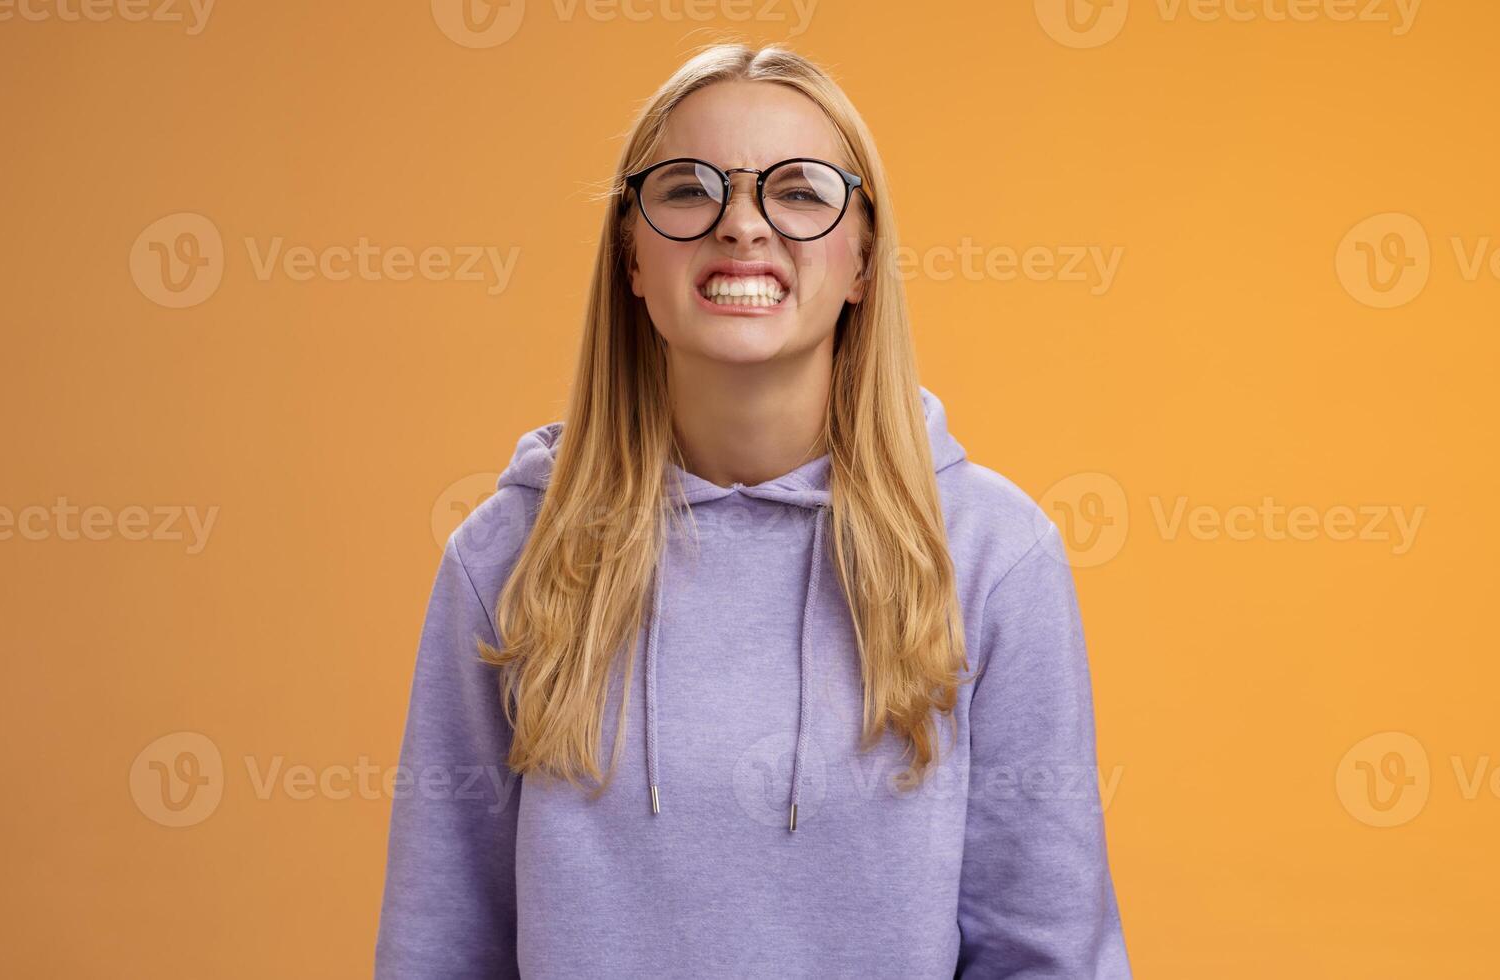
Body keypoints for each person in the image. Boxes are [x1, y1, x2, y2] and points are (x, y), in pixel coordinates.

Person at [375, 41, 1133, 978]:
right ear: (631, 258)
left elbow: (1047, 954)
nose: (742, 225)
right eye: (689, 188)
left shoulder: (992, 556)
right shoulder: (507, 558)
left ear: (862, 259)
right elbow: (440, 949)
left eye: (801, 192)